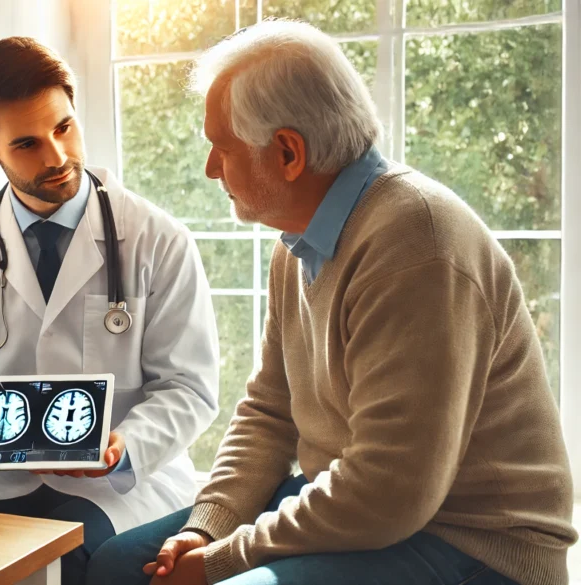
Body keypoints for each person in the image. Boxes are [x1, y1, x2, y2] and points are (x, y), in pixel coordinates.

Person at [85, 19, 577, 585]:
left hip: (469, 540)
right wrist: (209, 526)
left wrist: (226, 559)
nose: (211, 168)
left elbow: (390, 489)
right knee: (117, 567)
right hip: (363, 508)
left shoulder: (418, 243)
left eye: (221, 148)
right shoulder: (295, 242)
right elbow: (269, 413)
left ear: (288, 152)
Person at [0, 37, 219, 585]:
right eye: (26, 143)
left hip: (115, 485)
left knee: (60, 562)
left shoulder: (156, 239)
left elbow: (191, 388)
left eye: (64, 127)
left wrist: (123, 448)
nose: (56, 157)